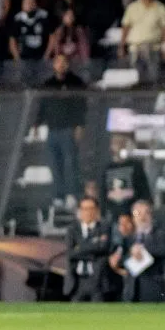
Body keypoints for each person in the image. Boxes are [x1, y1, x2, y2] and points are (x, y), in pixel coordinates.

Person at [38, 53, 86, 208]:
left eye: (64, 62)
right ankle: (58, 195)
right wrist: (37, 123)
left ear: (68, 64)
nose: (61, 65)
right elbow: (43, 106)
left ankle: (72, 194)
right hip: (52, 130)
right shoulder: (48, 84)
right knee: (55, 164)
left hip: (68, 130)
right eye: (58, 62)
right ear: (53, 65)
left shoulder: (76, 83)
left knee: (70, 163)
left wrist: (80, 126)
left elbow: (81, 106)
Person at [116, 199, 165, 302]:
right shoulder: (129, 238)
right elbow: (121, 261)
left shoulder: (160, 234)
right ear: (133, 217)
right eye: (138, 213)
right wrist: (131, 254)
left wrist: (142, 250)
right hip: (132, 290)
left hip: (152, 288)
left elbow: (162, 251)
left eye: (146, 213)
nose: (142, 217)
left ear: (151, 215)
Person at [66, 196, 110, 302]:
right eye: (84, 209)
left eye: (91, 208)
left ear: (97, 210)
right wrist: (93, 249)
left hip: (97, 281)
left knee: (97, 316)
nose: (88, 212)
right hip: (77, 282)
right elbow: (71, 253)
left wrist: (80, 248)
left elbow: (104, 248)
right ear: (80, 211)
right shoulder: (72, 229)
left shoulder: (105, 227)